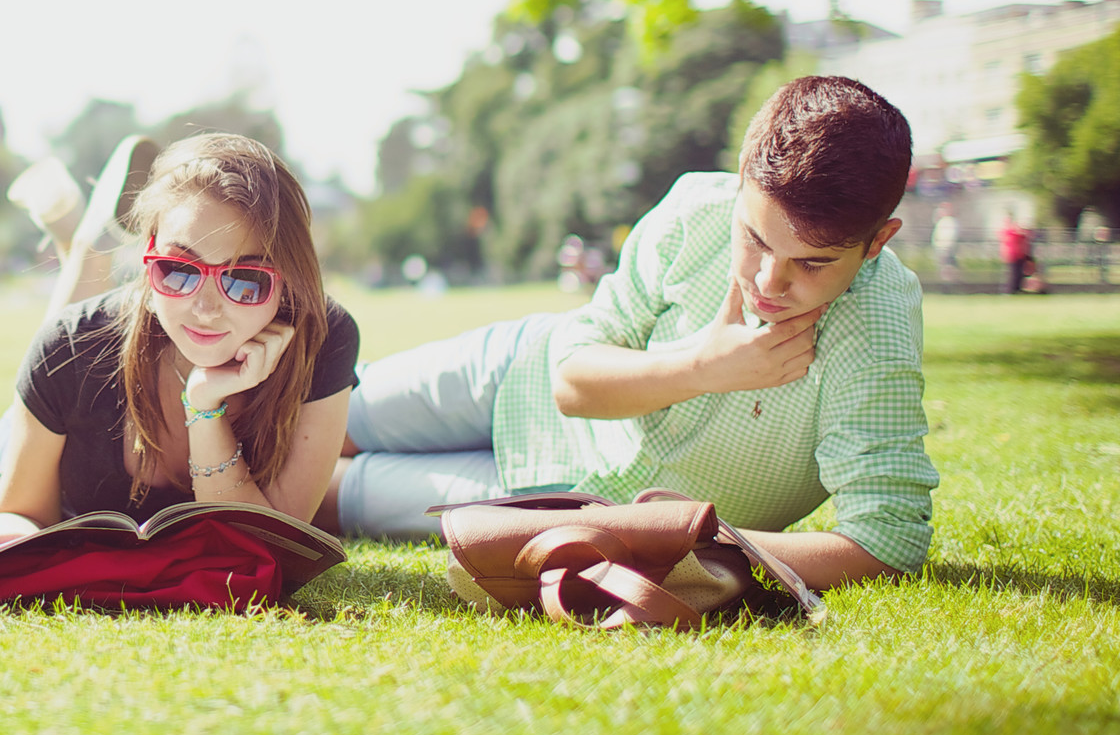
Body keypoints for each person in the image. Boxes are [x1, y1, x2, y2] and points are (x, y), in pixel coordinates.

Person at [318, 76, 937, 593]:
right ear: (741, 180)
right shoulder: (695, 209)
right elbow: (571, 382)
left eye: (814, 262)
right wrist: (705, 367)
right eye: (755, 238)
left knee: (320, 495)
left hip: (554, 500)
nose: (769, 281)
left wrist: (667, 542)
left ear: (878, 241)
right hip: (515, 372)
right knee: (320, 415)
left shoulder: (875, 322)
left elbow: (887, 540)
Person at [0, 133, 356, 552]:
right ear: (149, 258)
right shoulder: (68, 347)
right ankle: (89, 246)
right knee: (68, 336)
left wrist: (204, 408)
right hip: (28, 441)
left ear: (290, 278)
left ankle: (86, 242)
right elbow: (21, 513)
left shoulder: (322, 338)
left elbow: (269, 550)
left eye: (245, 279)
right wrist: (13, 538)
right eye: (177, 269)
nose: (206, 309)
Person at [998, 214, 1031, 296]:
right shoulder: (1007, 232)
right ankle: (1010, 290)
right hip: (1012, 256)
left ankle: (1018, 289)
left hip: (1020, 255)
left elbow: (1025, 236)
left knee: (1020, 273)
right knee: (1013, 274)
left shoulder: (1017, 233)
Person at [930, 206, 960, 284]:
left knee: (948, 266)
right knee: (943, 266)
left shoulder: (950, 221)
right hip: (941, 247)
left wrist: (946, 246)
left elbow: (949, 236)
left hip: (946, 248)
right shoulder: (942, 221)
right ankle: (945, 282)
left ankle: (949, 283)